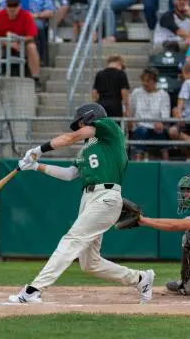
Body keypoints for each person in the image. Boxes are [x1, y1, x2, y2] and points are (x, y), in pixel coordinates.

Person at [8, 103, 156, 304]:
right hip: (88, 198)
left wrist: (39, 149)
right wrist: (35, 166)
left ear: (90, 117)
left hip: (106, 195)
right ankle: (140, 278)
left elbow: (70, 138)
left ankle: (34, 289)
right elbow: (70, 174)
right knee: (90, 264)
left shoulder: (109, 128)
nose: (78, 128)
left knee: (72, 239)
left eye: (80, 123)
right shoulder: (86, 150)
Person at [0, 0, 40, 82]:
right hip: (3, 43)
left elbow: (31, 36)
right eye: (10, 5)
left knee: (32, 47)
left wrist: (19, 41)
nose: (12, 8)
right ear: (6, 6)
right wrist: (8, 43)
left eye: (15, 5)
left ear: (19, 6)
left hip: (21, 43)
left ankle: (36, 77)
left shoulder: (26, 15)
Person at [129, 68, 171, 161]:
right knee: (141, 131)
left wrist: (161, 123)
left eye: (148, 81)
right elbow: (131, 111)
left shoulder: (163, 95)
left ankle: (166, 162)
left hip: (156, 127)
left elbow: (165, 113)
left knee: (160, 133)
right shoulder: (136, 93)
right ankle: (138, 161)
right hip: (140, 126)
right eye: (143, 80)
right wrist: (131, 123)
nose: (145, 83)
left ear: (154, 81)